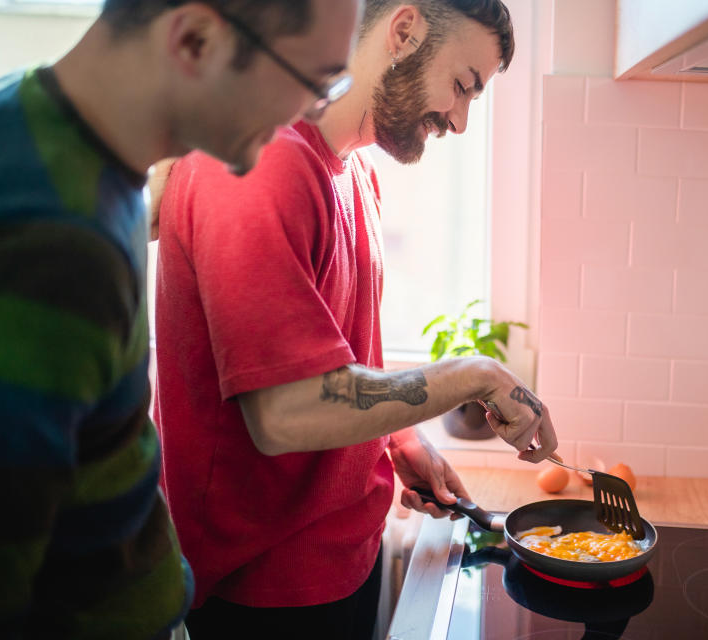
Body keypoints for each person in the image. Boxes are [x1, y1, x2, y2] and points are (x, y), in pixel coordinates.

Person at [151, 0, 558, 637]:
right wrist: (474, 374)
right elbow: (286, 410)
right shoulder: (258, 165)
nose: (459, 120)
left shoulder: (353, 172)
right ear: (403, 31)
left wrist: (398, 440)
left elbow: (335, 360)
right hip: (262, 589)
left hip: (340, 562)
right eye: (462, 85)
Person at [0, 0, 361, 638]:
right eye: (310, 83)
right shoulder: (54, 241)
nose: (308, 113)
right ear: (194, 40)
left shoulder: (55, 129)